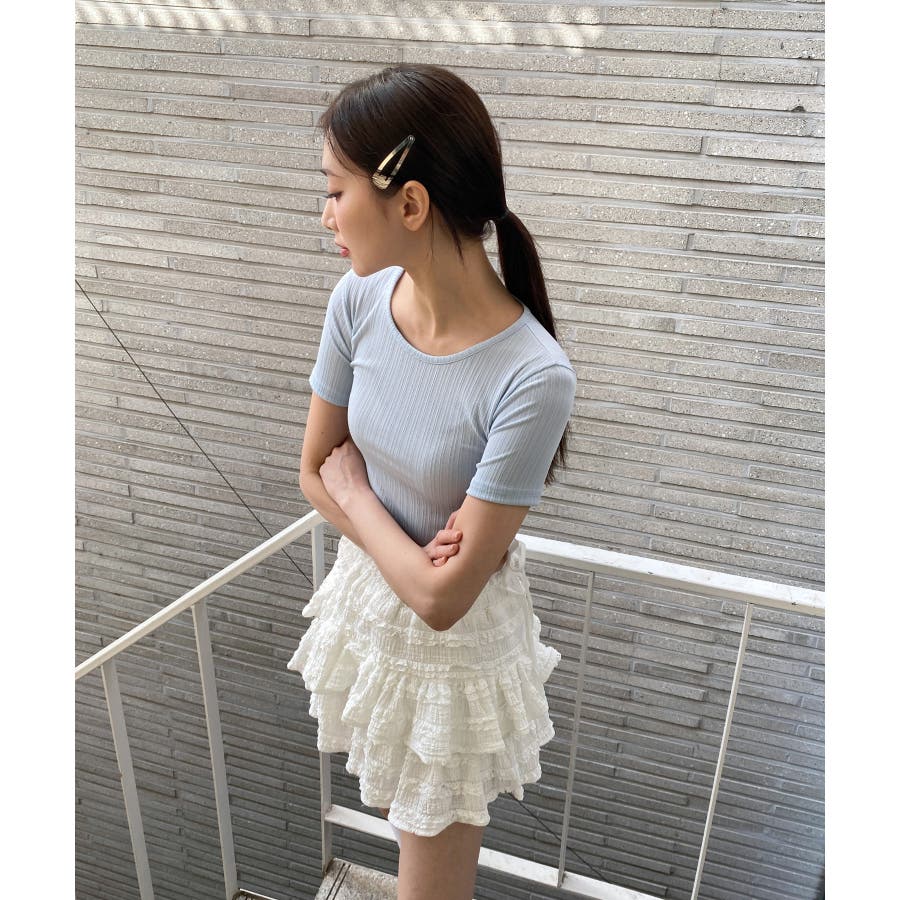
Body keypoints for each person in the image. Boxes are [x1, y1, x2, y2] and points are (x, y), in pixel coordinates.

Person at [287, 63, 577, 900]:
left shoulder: (533, 376)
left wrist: (359, 496)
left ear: (409, 203)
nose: (326, 214)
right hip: (376, 609)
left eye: (336, 190)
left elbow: (445, 602)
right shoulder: (356, 303)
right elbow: (312, 470)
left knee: (432, 881)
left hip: (456, 659)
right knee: (393, 813)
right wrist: (410, 560)